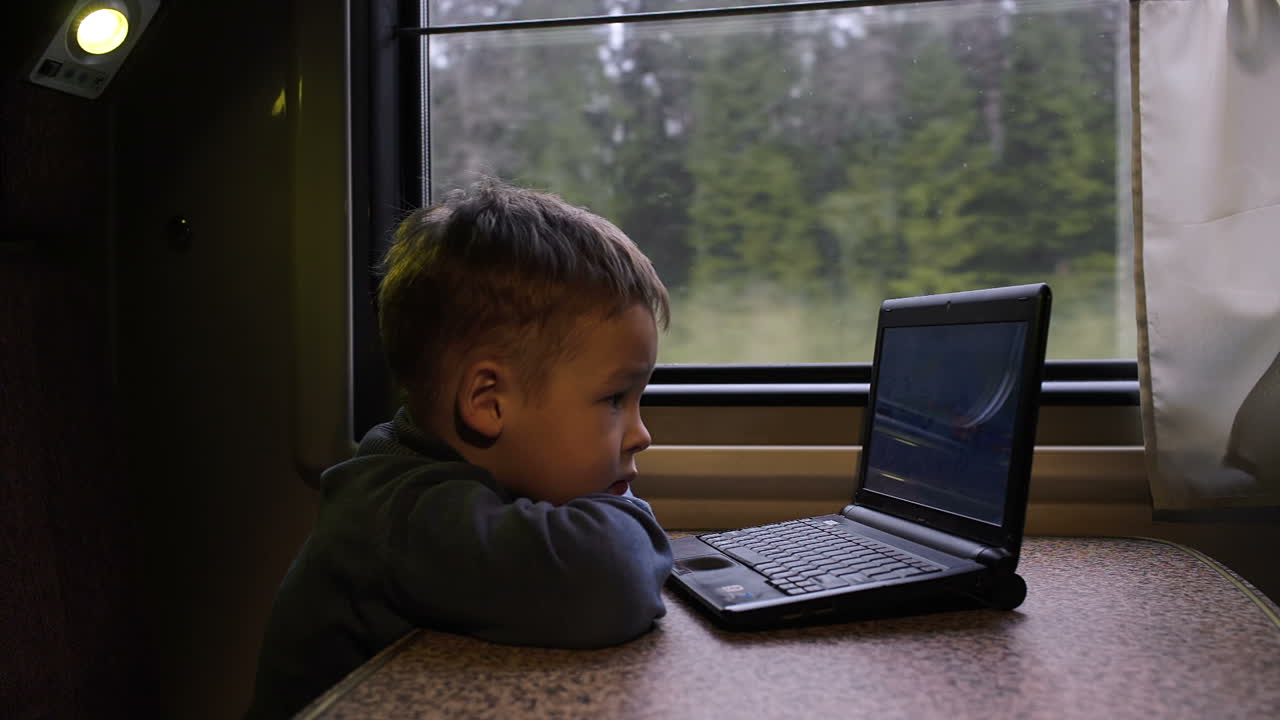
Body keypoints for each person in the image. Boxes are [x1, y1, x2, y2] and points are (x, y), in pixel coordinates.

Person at [246, 180, 674, 719]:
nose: (642, 434)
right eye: (615, 399)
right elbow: (611, 578)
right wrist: (633, 520)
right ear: (487, 402)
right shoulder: (402, 518)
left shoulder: (430, 479)